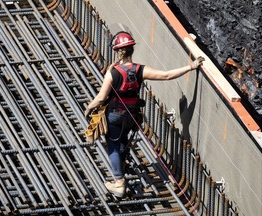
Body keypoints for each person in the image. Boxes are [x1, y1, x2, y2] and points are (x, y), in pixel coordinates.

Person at [84, 31, 204, 198]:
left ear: (118, 51)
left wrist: (89, 108)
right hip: (132, 116)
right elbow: (166, 75)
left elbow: (101, 98)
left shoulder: (113, 73)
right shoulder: (140, 70)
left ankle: (118, 182)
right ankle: (122, 165)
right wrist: (191, 66)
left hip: (115, 115)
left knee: (113, 145)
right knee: (122, 140)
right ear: (131, 50)